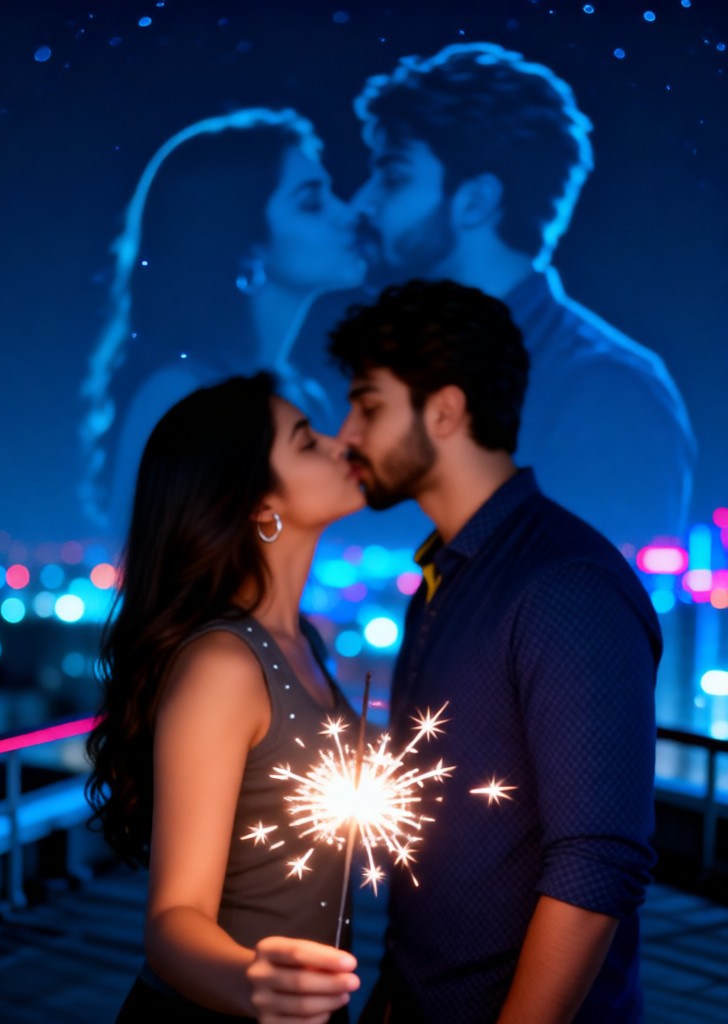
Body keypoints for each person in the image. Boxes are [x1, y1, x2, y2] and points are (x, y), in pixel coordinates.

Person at [329, 279, 661, 1023]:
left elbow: (598, 862)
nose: (347, 432)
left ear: (444, 410)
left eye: (369, 404)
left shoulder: (563, 585)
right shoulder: (440, 582)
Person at [85, 372, 364, 1021]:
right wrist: (254, 981)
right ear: (259, 506)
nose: (338, 443)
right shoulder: (225, 664)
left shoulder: (305, 643)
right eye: (306, 441)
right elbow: (173, 920)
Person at [348, 42, 696, 550]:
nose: (363, 202)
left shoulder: (606, 388)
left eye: (394, 176)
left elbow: (602, 611)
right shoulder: (412, 362)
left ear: (475, 201)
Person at [80, 108, 365, 532]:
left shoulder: (304, 395)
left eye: (331, 194)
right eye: (311, 202)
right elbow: (140, 571)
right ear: (247, 243)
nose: (346, 213)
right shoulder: (179, 394)